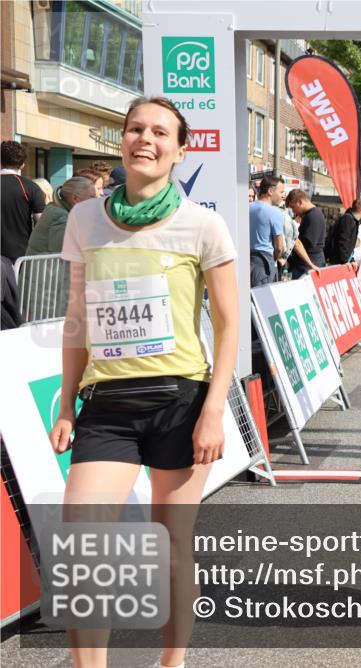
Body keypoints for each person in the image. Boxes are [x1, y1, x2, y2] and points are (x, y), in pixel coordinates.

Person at [49, 96, 238, 668]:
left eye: (160, 132)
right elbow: (78, 319)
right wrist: (65, 404)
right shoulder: (85, 218)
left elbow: (230, 323)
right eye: (135, 129)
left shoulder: (202, 223)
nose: (145, 139)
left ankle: (171, 663)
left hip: (180, 401)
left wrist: (212, 410)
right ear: (122, 141)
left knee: (173, 546)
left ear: (180, 151)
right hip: (107, 405)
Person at [26, 176, 100, 256]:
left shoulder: (57, 208)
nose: (96, 200)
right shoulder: (60, 215)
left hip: (43, 265)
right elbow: (61, 250)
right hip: (44, 267)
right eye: (92, 197)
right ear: (75, 198)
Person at [1, 140, 47, 262]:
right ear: (22, 165)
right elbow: (42, 222)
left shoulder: (29, 187)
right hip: (19, 256)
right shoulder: (30, 187)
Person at [249, 174, 286, 287]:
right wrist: (274, 258)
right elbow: (279, 247)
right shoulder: (275, 213)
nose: (283, 196)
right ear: (270, 191)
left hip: (246, 259)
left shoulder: (246, 208)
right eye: (281, 192)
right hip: (264, 263)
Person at [286, 189, 326, 278]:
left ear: (300, 202)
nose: (293, 211)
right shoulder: (312, 214)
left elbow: (306, 243)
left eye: (293, 207)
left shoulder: (313, 216)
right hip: (309, 263)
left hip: (307, 264)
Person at [326, 197, 361, 265]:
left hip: (341, 261)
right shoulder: (348, 219)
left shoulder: (352, 220)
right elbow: (344, 242)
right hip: (338, 262)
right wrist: (345, 261)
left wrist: (351, 260)